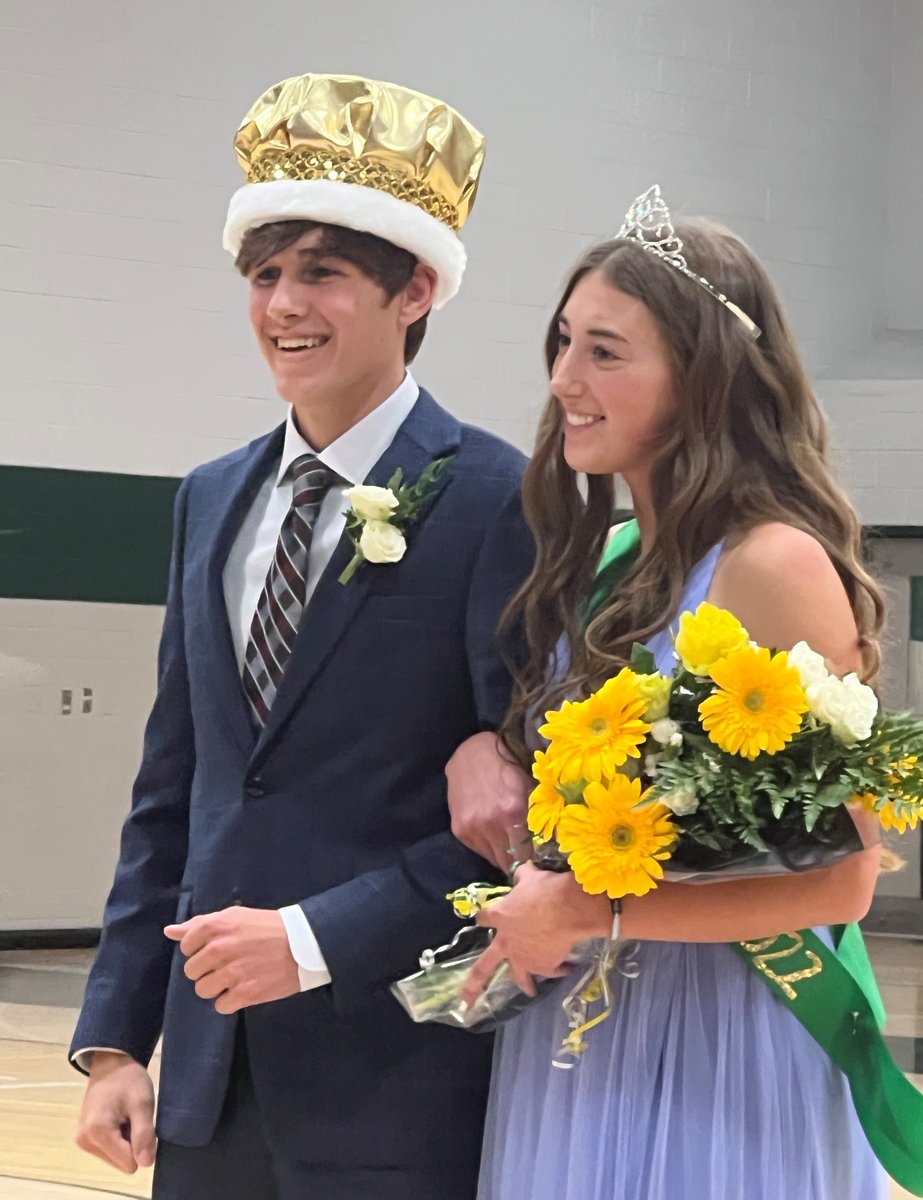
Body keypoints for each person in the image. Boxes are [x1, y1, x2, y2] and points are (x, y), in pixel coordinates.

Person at [69, 72, 533, 1200]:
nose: (285, 303)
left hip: (398, 1068)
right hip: (209, 1077)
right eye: (266, 274)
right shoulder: (209, 496)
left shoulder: (497, 498)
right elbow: (176, 784)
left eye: (323, 272)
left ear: (415, 289)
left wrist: (317, 938)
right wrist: (117, 1038)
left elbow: (522, 815)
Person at [450, 186, 889, 1199]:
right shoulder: (606, 558)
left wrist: (585, 913)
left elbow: (840, 880)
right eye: (562, 342)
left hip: (717, 1040)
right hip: (585, 1027)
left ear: (701, 380)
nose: (564, 378)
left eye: (605, 351)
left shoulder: (771, 562)